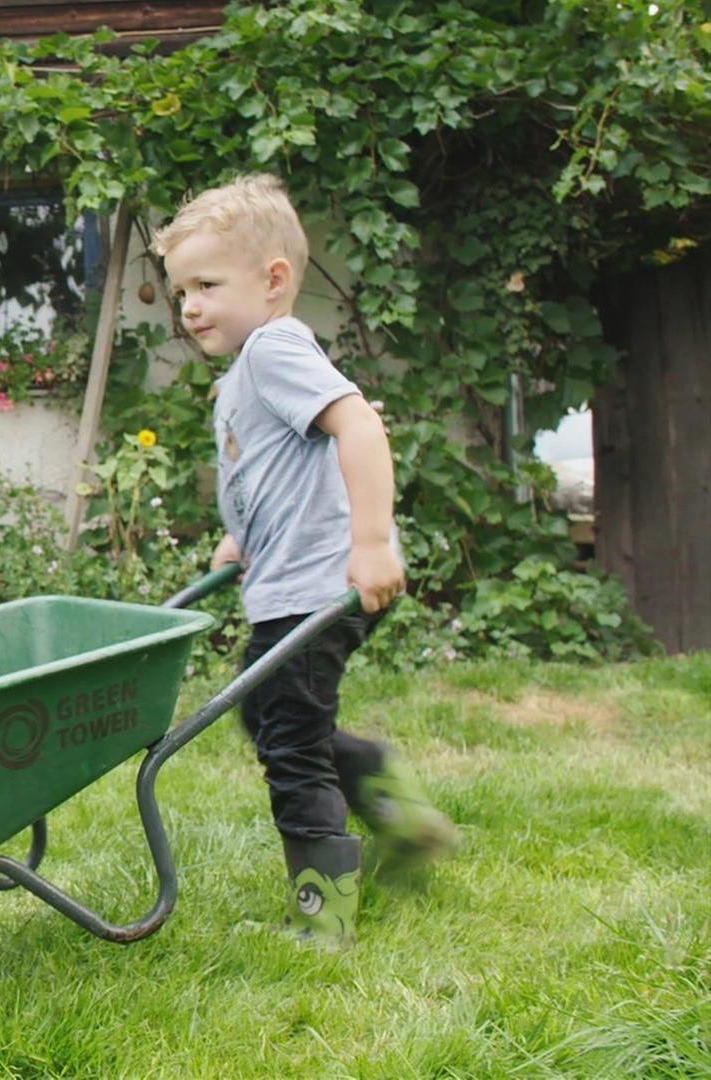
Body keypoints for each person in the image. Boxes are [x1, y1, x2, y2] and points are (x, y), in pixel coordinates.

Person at [152, 174, 457, 947]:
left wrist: (370, 543)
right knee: (273, 717)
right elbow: (281, 464)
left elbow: (359, 427)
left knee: (288, 742)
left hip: (319, 590)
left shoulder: (274, 348)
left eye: (207, 285)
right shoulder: (248, 370)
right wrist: (241, 535)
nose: (189, 306)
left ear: (274, 280)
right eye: (181, 288)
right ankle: (391, 800)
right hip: (290, 585)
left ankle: (324, 918)